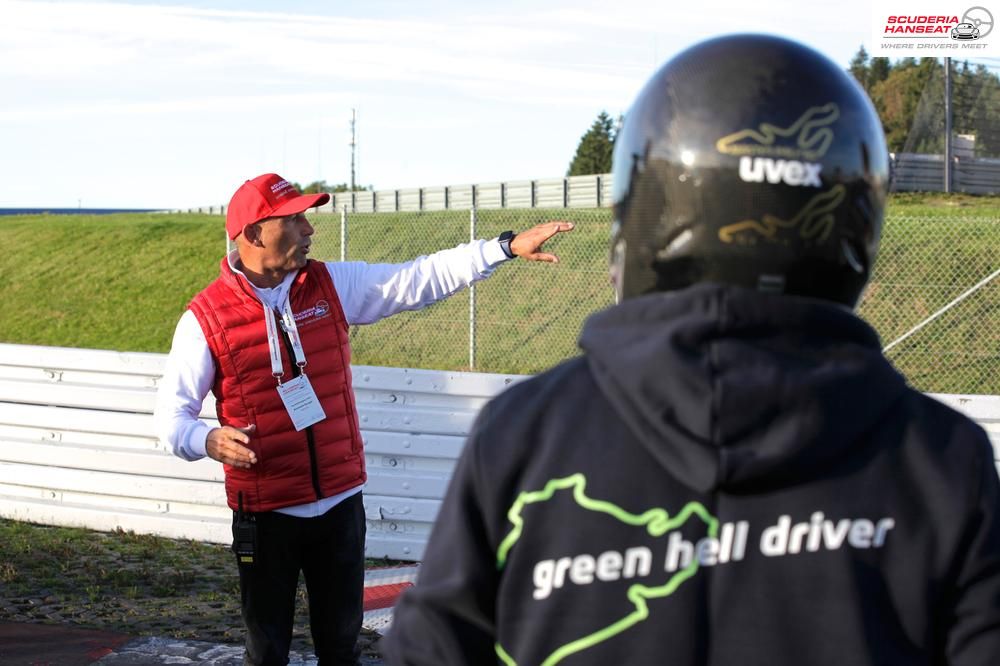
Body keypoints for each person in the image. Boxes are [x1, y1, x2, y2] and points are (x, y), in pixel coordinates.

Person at [382, 34, 1000, 666]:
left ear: (645, 210)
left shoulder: (525, 434)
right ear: (855, 218)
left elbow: (431, 649)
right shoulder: (941, 458)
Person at [153, 172, 573, 666]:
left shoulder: (330, 284)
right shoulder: (204, 318)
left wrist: (501, 247)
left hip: (340, 506)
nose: (309, 229)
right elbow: (170, 422)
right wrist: (207, 439)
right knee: (266, 654)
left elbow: (416, 279)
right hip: (265, 516)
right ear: (252, 234)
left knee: (341, 650)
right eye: (295, 219)